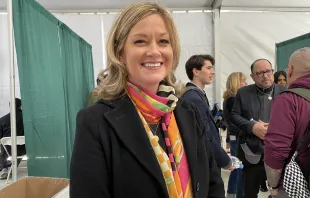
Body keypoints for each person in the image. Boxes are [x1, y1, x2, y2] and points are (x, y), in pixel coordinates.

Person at [70, 3, 225, 198]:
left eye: (163, 41)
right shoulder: (95, 121)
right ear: (120, 53)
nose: (154, 51)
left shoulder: (189, 112)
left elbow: (213, 184)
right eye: (140, 41)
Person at [230, 59, 287, 198]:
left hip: (280, 153)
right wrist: (252, 127)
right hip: (252, 154)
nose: (265, 75)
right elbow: (234, 116)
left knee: (280, 194)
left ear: (272, 71)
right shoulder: (243, 93)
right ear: (252, 76)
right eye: (260, 73)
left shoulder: (285, 91)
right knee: (249, 192)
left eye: (268, 71)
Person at [264, 48, 310, 197]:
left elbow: (276, 150)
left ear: (290, 70)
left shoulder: (288, 100)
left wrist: (273, 184)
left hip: (298, 183)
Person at [181, 54, 233, 172]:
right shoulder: (193, 97)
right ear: (196, 71)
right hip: (205, 161)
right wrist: (225, 160)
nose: (213, 72)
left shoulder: (196, 94)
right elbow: (205, 135)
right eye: (208, 68)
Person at [223, 72, 247, 198]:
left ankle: (231, 193)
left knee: (236, 168)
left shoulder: (229, 98)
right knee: (239, 169)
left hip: (233, 137)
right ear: (237, 82)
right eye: (243, 81)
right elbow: (236, 121)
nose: (246, 83)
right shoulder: (233, 100)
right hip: (237, 138)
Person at [0, 98, 26, 179]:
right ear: (20, 106)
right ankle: (13, 166)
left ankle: (3, 168)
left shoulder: (2, 119)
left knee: (2, 144)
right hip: (23, 150)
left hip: (8, 150)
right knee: (21, 146)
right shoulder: (26, 118)